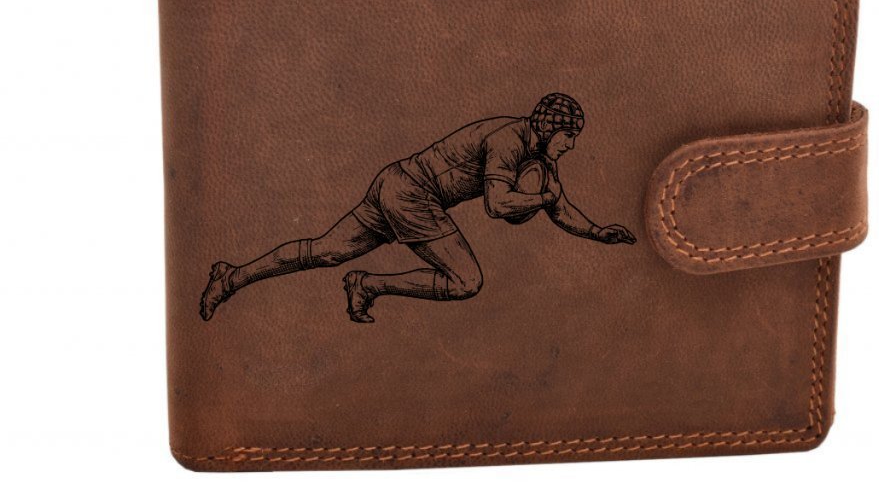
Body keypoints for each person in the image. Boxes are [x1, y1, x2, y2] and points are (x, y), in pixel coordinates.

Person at [199, 92, 636, 324]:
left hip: (395, 181)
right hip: (413, 195)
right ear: (548, 126)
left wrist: (597, 232)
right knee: (466, 281)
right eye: (568, 136)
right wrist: (540, 198)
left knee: (325, 251)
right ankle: (367, 285)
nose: (572, 145)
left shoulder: (540, 158)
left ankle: (231, 276)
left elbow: (561, 207)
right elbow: (498, 204)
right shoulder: (508, 141)